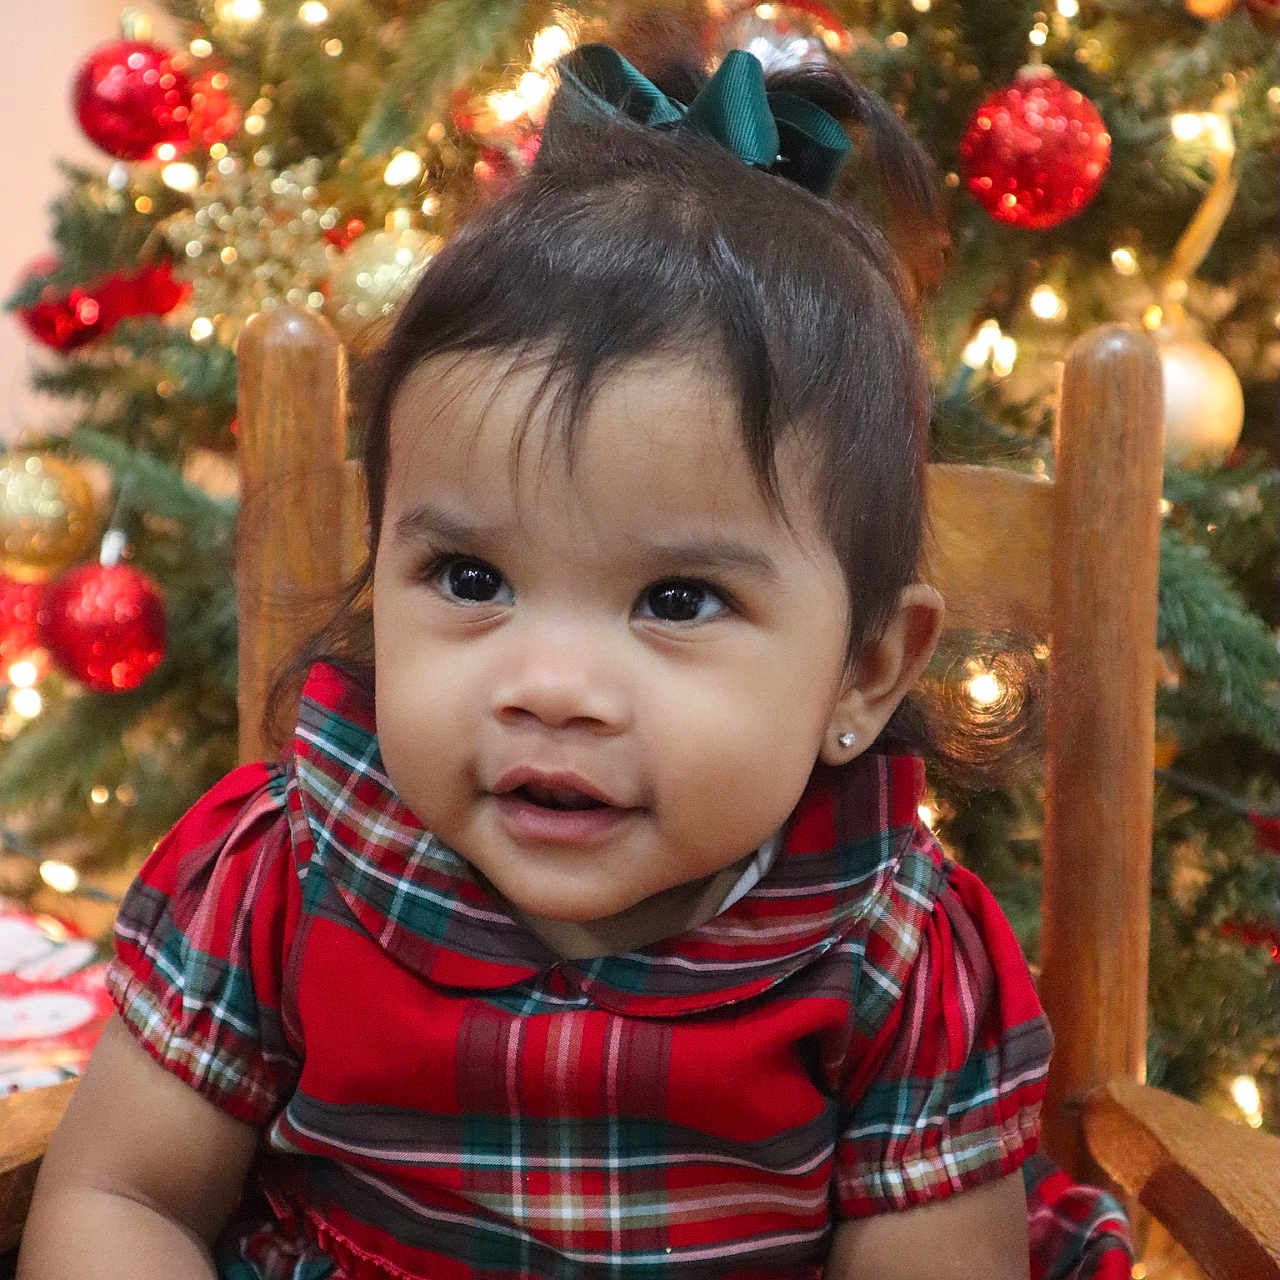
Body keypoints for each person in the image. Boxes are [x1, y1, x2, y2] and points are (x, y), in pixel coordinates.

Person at [20, 42, 1064, 1280]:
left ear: (865, 669)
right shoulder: (285, 866)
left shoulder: (890, 949)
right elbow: (123, 1196)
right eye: (471, 579)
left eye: (677, 598)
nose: (548, 684)